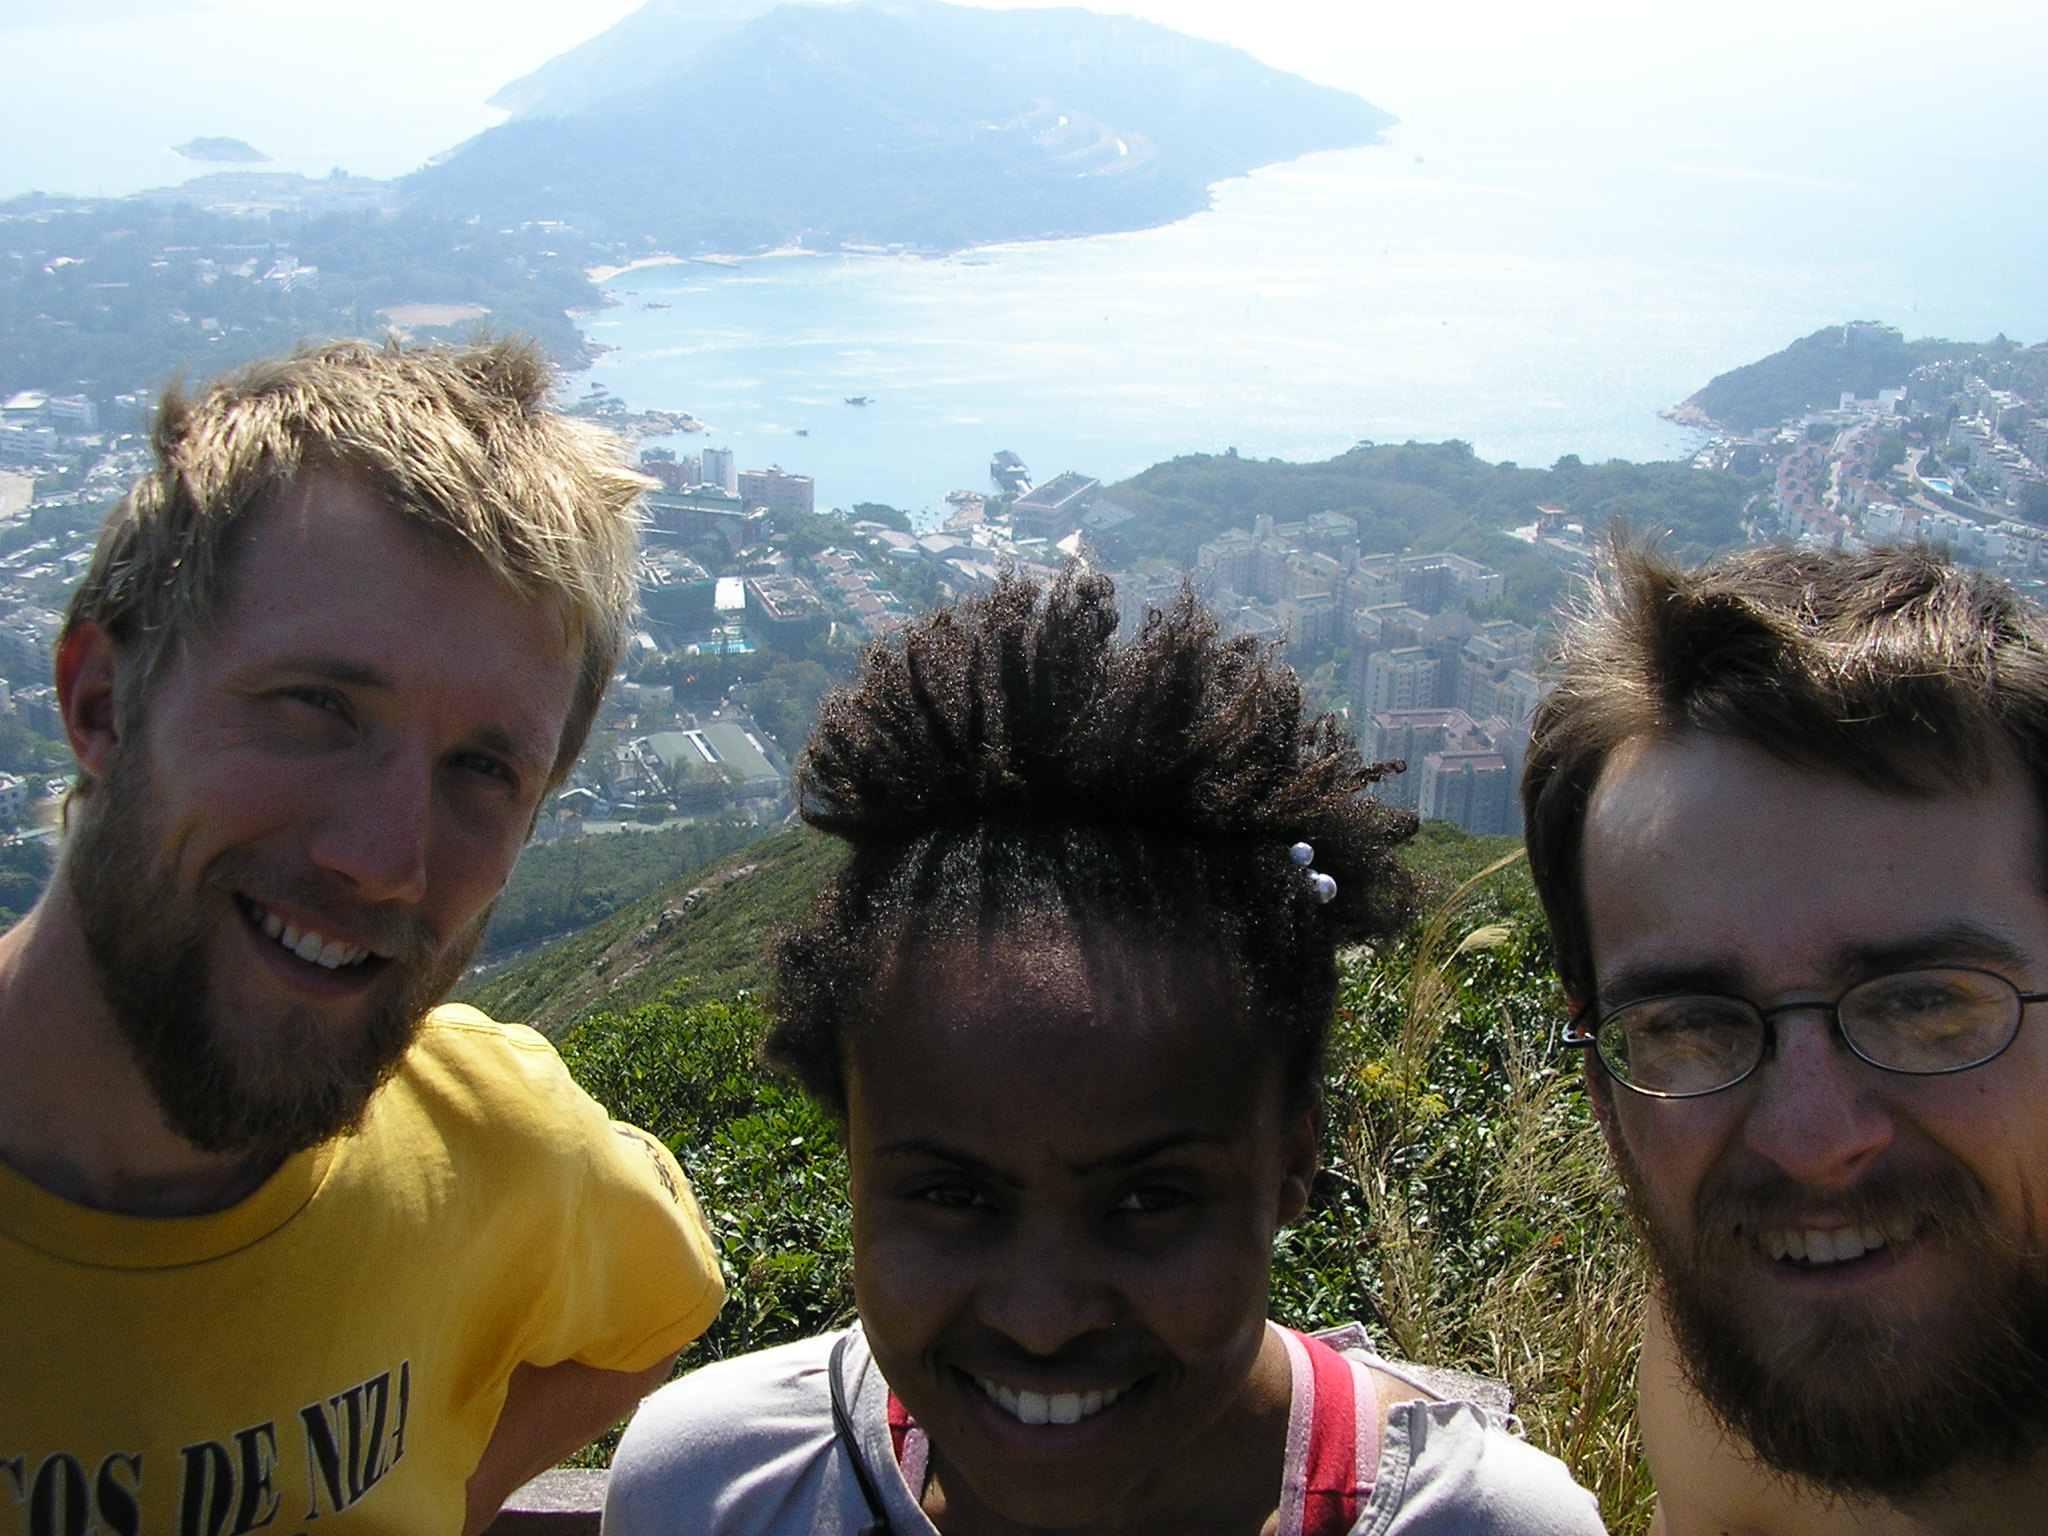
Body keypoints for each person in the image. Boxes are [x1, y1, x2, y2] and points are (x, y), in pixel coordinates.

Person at [605, 571, 1605, 1536]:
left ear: (1292, 1158)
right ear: (851, 1152)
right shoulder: (710, 1490)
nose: (1043, 1321)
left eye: (1149, 1199)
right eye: (953, 1198)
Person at [0, 338, 725, 1536]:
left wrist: (439, 1492)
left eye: (483, 770)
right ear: (98, 702)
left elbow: (651, 1313)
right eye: (316, 708)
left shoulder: (497, 1148)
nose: (385, 855)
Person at [1522, 542, 2048, 1535]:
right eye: (1685, 1023)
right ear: (1601, 1085)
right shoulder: (1743, 1341)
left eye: (1922, 1003)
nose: (1806, 1139)